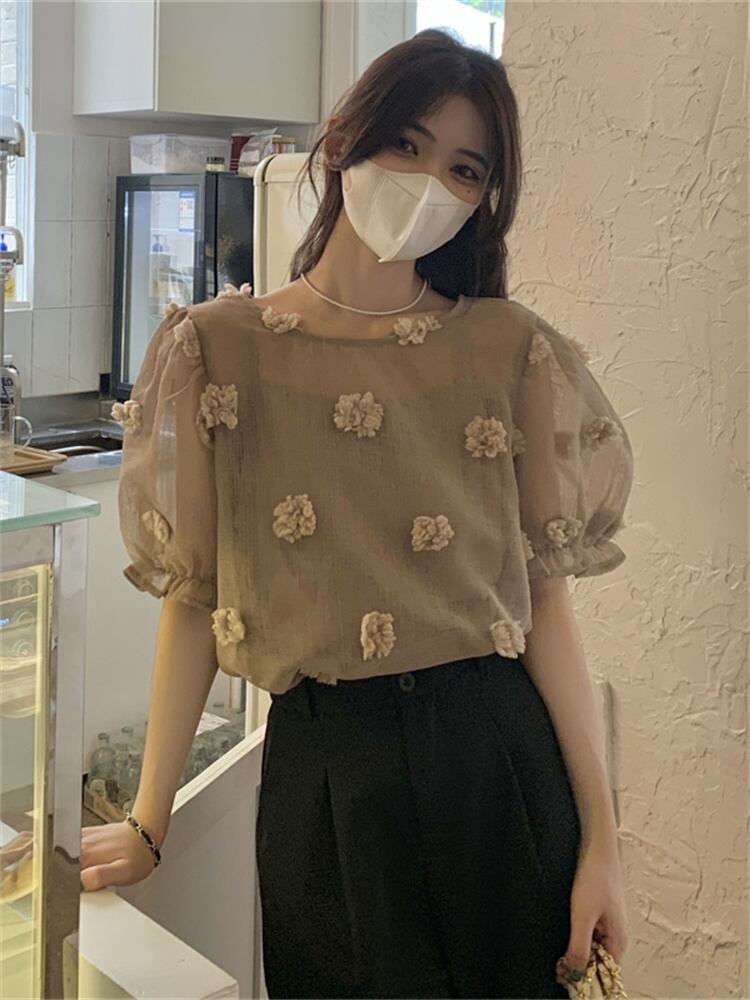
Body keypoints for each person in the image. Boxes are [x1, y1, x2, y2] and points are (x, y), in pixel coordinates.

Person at [82, 28, 633, 1000]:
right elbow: (193, 599)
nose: (428, 183)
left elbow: (545, 604)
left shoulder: (508, 351)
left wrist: (602, 843)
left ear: (484, 197)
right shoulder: (217, 350)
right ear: (342, 139)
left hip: (497, 763)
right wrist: (148, 821)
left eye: (464, 168)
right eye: (407, 145)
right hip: (326, 777)